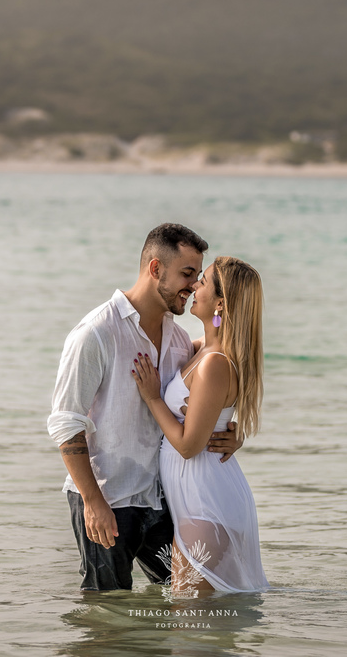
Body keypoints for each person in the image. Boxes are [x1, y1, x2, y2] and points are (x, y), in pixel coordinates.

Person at [47, 224, 244, 592]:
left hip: (163, 503)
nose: (192, 285)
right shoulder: (96, 333)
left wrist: (231, 434)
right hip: (110, 499)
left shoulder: (181, 340)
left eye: (197, 276)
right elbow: (65, 424)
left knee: (189, 600)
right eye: (187, 274)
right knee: (107, 612)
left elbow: (206, 397)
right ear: (156, 269)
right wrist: (93, 501)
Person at [131, 256, 269, 596]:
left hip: (206, 504)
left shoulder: (215, 365)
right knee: (201, 630)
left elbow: (189, 445)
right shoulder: (200, 351)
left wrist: (153, 398)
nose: (194, 286)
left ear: (220, 303)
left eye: (202, 282)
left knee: (191, 626)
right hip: (198, 501)